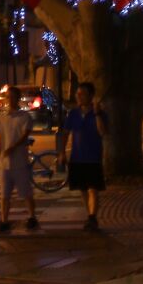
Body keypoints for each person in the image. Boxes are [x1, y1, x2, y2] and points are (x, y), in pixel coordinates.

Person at [57, 81, 109, 231]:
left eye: (82, 94)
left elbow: (102, 132)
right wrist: (62, 153)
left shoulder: (99, 113)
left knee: (93, 188)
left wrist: (97, 113)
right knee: (83, 189)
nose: (78, 97)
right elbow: (66, 134)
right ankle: (90, 216)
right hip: (77, 157)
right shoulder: (73, 114)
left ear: (91, 96)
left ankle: (92, 217)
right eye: (77, 94)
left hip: (93, 157)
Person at [0, 86, 38, 234]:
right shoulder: (2, 117)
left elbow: (25, 135)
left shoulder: (24, 117)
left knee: (26, 192)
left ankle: (32, 217)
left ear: (17, 98)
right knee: (4, 195)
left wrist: (14, 146)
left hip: (20, 162)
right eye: (8, 97)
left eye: (12, 97)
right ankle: (4, 220)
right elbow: (0, 137)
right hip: (5, 163)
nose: (10, 100)